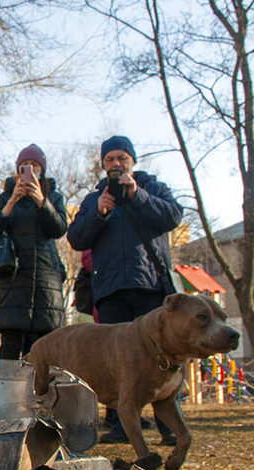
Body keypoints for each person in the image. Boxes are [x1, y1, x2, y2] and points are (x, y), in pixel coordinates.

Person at [67, 135, 184, 445]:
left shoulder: (152, 188)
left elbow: (173, 216)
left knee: (162, 355)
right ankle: (120, 424)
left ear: (133, 160)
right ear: (103, 165)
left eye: (121, 158)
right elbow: (76, 238)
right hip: (110, 290)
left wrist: (136, 195)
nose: (116, 164)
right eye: (109, 160)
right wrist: (99, 213)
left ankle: (169, 425)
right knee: (112, 358)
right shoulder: (94, 198)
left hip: (150, 286)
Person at [0, 144, 68, 360]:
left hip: (44, 283)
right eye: (24, 166)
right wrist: (12, 201)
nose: (30, 169)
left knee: (44, 352)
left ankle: (40, 394)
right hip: (12, 281)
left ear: (42, 169)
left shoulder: (54, 197)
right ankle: (5, 394)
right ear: (17, 170)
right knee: (9, 349)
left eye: (34, 165)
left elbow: (58, 229)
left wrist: (41, 200)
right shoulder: (6, 197)